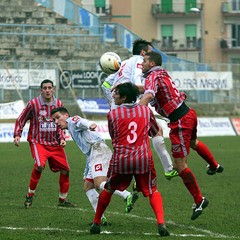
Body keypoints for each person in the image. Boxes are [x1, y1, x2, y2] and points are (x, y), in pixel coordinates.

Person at [139, 51, 224, 220]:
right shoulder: (160, 72)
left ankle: (199, 200)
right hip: (189, 113)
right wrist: (133, 88)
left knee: (179, 165)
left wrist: (137, 109)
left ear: (152, 63)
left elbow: (149, 94)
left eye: (144, 61)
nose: (142, 63)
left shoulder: (151, 76)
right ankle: (214, 166)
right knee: (193, 142)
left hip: (180, 122)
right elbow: (149, 89)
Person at [90, 82, 170, 237]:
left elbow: (114, 137)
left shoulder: (112, 114)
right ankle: (161, 223)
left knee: (109, 188)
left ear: (124, 97)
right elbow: (154, 132)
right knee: (153, 191)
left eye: (117, 93)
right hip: (143, 158)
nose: (113, 95)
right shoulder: (146, 111)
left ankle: (96, 222)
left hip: (121, 159)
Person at [101, 38, 178, 180]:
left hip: (117, 108)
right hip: (131, 104)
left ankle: (128, 176)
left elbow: (105, 85)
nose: (151, 55)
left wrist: (113, 103)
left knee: (125, 142)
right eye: (150, 52)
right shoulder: (138, 61)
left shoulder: (123, 63)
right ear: (143, 53)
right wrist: (141, 103)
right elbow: (136, 81)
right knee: (156, 131)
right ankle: (168, 169)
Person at [51, 107, 138, 224]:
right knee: (87, 186)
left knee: (99, 183)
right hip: (91, 155)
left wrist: (90, 124)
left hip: (98, 149)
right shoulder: (70, 127)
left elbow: (81, 121)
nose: (56, 122)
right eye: (54, 120)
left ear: (66, 115)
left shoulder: (72, 121)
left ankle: (127, 195)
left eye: (57, 118)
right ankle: (100, 218)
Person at [13, 79, 76, 208]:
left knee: (65, 170)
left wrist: (62, 138)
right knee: (39, 166)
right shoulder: (33, 104)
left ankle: (62, 200)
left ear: (53, 89)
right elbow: (21, 118)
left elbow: (61, 123)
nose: (47, 90)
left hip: (54, 143)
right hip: (38, 142)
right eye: (45, 88)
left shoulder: (58, 104)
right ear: (41, 90)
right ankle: (29, 196)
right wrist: (17, 135)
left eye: (49, 88)